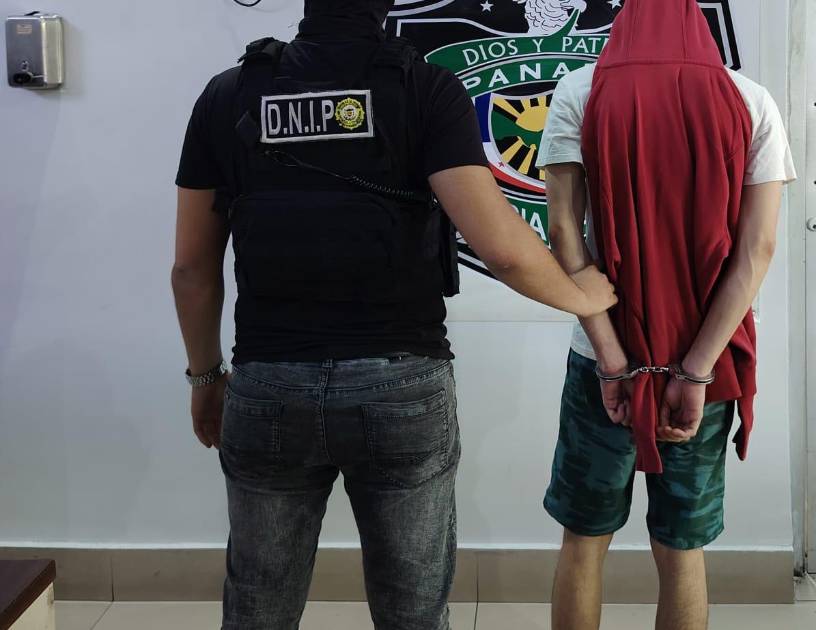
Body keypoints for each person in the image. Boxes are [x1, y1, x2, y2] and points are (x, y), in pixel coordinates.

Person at [171, 1, 616, 628]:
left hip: (269, 384)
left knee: (258, 606)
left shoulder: (228, 93)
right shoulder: (424, 86)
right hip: (399, 388)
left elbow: (192, 268)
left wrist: (204, 377)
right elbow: (502, 250)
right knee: (413, 611)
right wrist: (585, 296)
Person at [537, 1, 797, 629]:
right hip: (705, 362)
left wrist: (612, 360)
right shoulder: (751, 99)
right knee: (682, 550)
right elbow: (756, 249)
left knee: (584, 539)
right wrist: (696, 368)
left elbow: (564, 235)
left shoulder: (581, 90)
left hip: (602, 357)